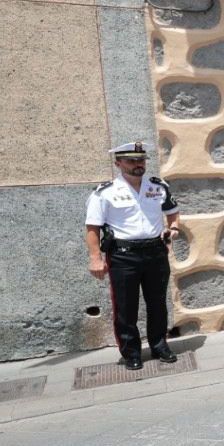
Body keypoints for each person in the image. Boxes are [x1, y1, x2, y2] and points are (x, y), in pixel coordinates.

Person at [85, 141, 181, 371]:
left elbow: (173, 212)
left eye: (141, 160)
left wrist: (173, 229)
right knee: (126, 307)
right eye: (131, 160)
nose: (138, 164)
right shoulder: (105, 192)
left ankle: (159, 345)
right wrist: (96, 258)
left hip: (155, 252)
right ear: (118, 163)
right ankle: (131, 352)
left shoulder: (158, 186)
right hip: (123, 256)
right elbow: (92, 227)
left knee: (157, 303)